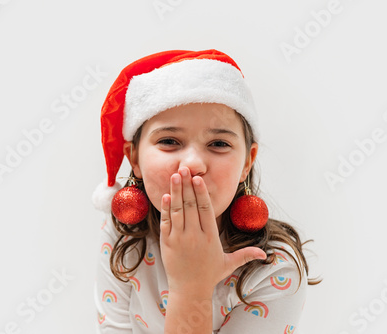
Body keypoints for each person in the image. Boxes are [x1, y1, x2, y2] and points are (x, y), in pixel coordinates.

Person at [92, 49, 320, 334]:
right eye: (169, 140)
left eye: (219, 144)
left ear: (246, 163)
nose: (192, 164)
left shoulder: (274, 268)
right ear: (134, 158)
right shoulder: (124, 236)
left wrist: (191, 290)